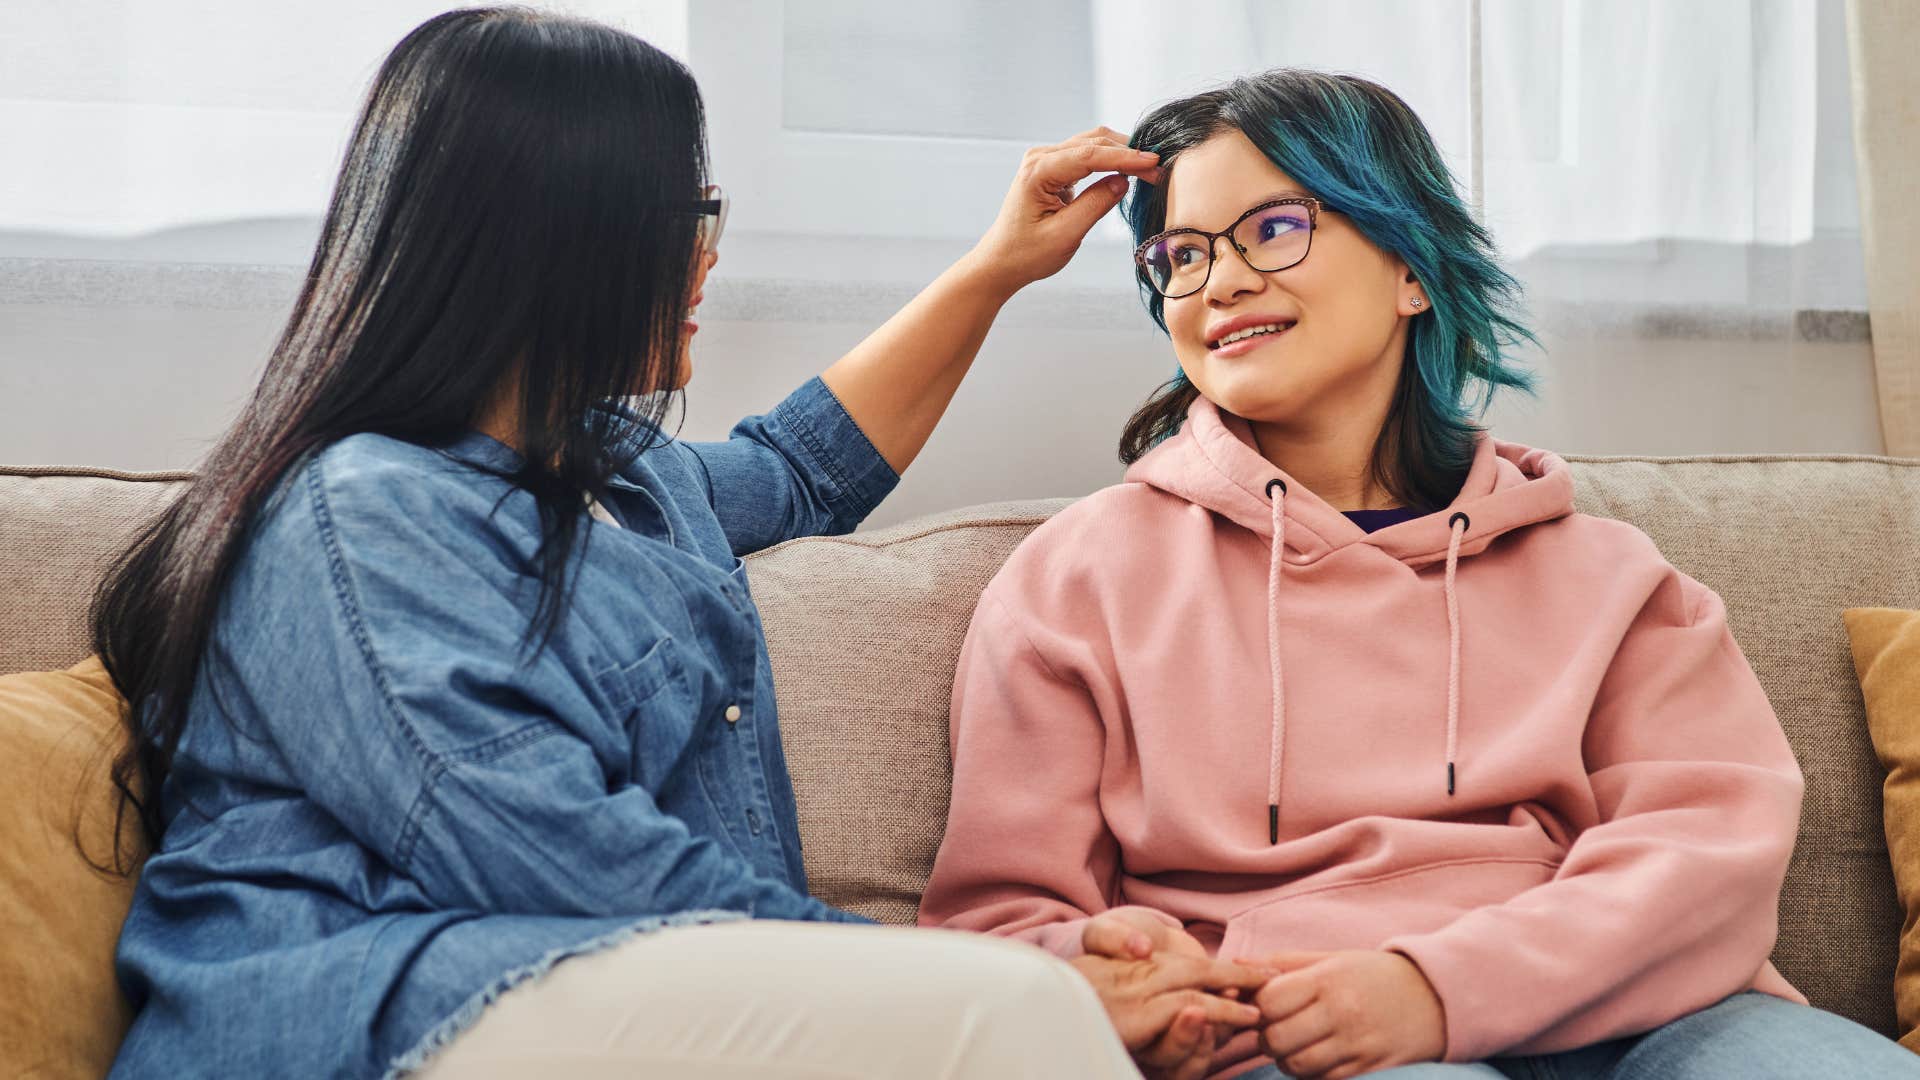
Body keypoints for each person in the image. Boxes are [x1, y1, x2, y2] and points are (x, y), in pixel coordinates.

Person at [93, 9, 1269, 1077]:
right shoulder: (362, 512)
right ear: (565, 239)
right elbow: (552, 861)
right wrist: (1012, 979)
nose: (712, 254)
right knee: (1009, 1023)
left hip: (609, 995)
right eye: (690, 215)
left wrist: (999, 266)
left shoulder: (624, 476)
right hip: (377, 1013)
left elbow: (807, 468)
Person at [918, 68, 1920, 1080]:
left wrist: (1438, 989)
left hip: (1647, 1016)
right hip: (1297, 1032)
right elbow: (998, 921)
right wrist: (1115, 980)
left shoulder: (1608, 574)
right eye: (1181, 254)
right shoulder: (1075, 581)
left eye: (1272, 229)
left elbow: (1708, 848)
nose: (1218, 281)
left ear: (1415, 268)